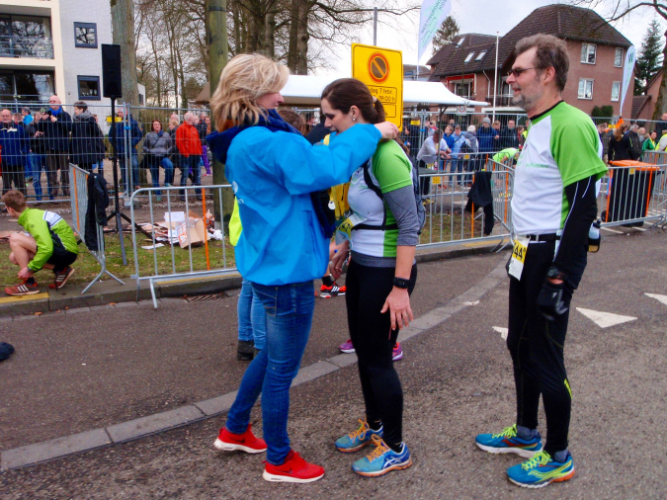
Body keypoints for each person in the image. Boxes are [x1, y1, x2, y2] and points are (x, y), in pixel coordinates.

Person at [206, 53, 398, 484]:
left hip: (269, 263)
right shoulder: (267, 141)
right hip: (287, 270)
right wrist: (372, 131)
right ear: (254, 94)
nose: (281, 97)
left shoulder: (242, 139)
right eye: (274, 89)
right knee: (281, 370)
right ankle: (279, 459)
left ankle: (235, 429)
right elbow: (325, 168)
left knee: (271, 356)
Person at [474, 34, 606, 489]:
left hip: (550, 255)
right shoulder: (538, 124)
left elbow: (584, 205)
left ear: (548, 74)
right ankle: (527, 432)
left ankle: (558, 454)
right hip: (525, 252)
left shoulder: (571, 123)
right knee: (519, 345)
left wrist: (561, 276)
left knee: (546, 355)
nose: (510, 79)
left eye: (518, 71)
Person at [324, 79, 418, 478]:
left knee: (378, 360)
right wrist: (344, 246)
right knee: (365, 352)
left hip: (387, 273)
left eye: (331, 115)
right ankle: (375, 425)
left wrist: (400, 288)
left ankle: (396, 447)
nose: (326, 124)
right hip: (363, 266)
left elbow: (410, 224)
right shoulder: (363, 154)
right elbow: (364, 212)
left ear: (354, 113)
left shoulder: (386, 156)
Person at [2, 189, 78, 295]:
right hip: (64, 250)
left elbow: (46, 248)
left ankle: (29, 283)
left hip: (66, 252)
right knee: (14, 257)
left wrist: (29, 269)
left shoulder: (32, 219)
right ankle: (61, 270)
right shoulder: (31, 214)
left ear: (10, 209)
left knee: (15, 239)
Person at [38, 96, 72, 197]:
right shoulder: (46, 115)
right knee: (51, 169)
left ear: (59, 102)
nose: (52, 102)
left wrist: (57, 121)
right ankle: (54, 188)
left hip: (62, 146)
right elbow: (40, 129)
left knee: (64, 168)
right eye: (50, 101)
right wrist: (42, 120)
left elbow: (69, 127)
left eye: (54, 101)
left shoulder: (65, 115)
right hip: (50, 146)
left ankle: (65, 187)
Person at [142, 119, 175, 202]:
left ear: (161, 125)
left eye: (158, 124)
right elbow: (144, 146)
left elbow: (171, 146)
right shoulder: (149, 135)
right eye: (155, 124)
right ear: (152, 126)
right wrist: (149, 152)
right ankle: (158, 195)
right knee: (155, 177)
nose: (157, 126)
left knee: (170, 166)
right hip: (152, 157)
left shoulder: (166, 135)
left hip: (163, 156)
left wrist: (167, 152)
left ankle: (166, 182)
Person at [111, 109, 143, 192]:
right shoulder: (115, 123)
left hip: (131, 148)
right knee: (123, 169)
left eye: (121, 112)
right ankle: (126, 188)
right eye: (118, 112)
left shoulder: (133, 122)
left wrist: (132, 143)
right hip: (120, 149)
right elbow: (111, 135)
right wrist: (116, 144)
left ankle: (136, 184)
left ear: (126, 112)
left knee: (134, 165)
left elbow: (139, 134)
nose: (119, 114)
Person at [0, 109, 29, 196]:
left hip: (18, 161)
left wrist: (22, 153)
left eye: (7, 116)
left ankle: (23, 201)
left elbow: (26, 142)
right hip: (4, 163)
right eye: (3, 116)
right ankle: (6, 202)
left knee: (21, 184)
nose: (5, 118)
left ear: (11, 116)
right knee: (6, 186)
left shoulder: (19, 129)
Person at [70, 102, 105, 173]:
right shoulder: (75, 120)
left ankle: (89, 180)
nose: (74, 111)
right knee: (80, 170)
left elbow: (96, 132)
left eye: (76, 109)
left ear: (81, 109)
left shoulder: (90, 119)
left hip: (88, 150)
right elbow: (73, 136)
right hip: (78, 150)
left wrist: (92, 124)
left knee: (89, 170)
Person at [176, 112, 202, 200]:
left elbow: (198, 141)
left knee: (197, 175)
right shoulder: (181, 128)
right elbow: (179, 142)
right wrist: (185, 153)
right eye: (192, 118)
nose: (194, 120)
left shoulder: (193, 128)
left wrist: (199, 151)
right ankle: (182, 194)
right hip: (188, 155)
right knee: (185, 175)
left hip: (195, 155)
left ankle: (198, 193)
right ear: (189, 119)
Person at [197, 112, 212, 176]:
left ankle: (208, 171)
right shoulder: (202, 125)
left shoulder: (202, 125)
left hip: (202, 143)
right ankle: (208, 171)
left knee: (202, 157)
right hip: (203, 143)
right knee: (202, 157)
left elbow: (200, 133)